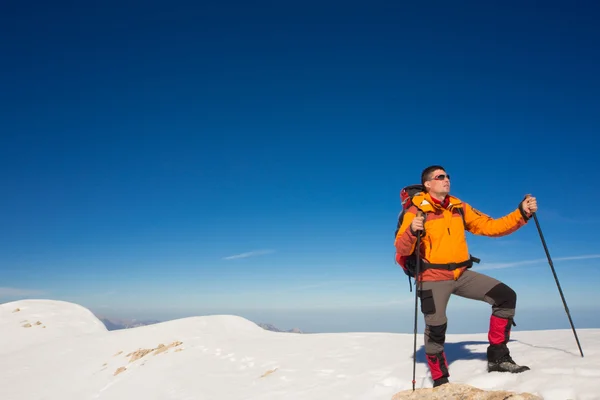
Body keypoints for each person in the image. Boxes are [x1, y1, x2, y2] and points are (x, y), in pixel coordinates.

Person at [394, 165, 537, 387]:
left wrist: (522, 213)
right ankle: (441, 380)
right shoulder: (415, 210)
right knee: (436, 327)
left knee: (505, 296)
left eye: (447, 176)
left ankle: (498, 358)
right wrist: (412, 230)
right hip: (432, 277)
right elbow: (401, 249)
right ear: (428, 184)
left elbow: (491, 226)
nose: (446, 179)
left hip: (461, 274)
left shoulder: (458, 207)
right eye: (440, 177)